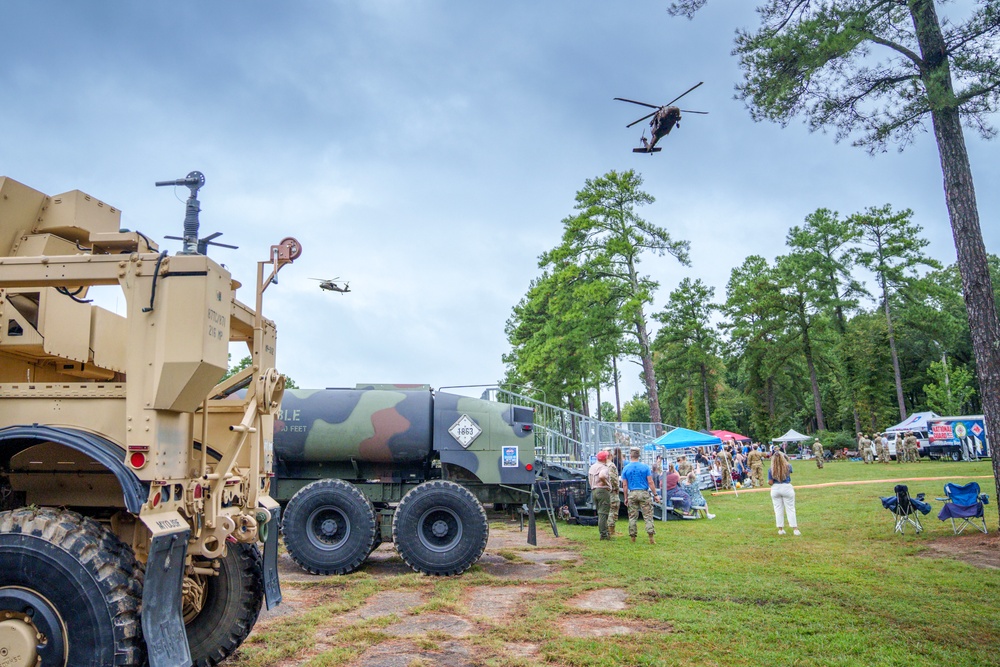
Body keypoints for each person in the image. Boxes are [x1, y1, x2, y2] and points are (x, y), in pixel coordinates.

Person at [621, 446, 660, 544]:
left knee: (632, 517)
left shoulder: (626, 468)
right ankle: (651, 537)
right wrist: (655, 494)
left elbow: (624, 485)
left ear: (630, 455)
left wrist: (625, 497)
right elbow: (650, 482)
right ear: (639, 455)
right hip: (644, 493)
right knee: (648, 515)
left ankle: (633, 538)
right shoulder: (645, 467)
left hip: (632, 493)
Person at [768, 450, 800, 536]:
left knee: (778, 509)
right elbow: (789, 472)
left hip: (775, 488)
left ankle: (780, 529)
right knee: (790, 509)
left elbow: (770, 482)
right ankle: (795, 529)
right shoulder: (788, 466)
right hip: (786, 487)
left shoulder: (771, 469)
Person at [588, 450, 611, 540]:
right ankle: (604, 534)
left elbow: (589, 479)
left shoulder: (592, 467)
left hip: (594, 490)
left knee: (600, 512)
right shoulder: (603, 467)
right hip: (602, 490)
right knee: (603, 513)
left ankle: (605, 532)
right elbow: (602, 476)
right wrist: (608, 484)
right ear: (605, 458)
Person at [606, 447, 622, 537]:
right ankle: (611, 531)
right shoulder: (611, 465)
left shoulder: (602, 465)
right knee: (613, 509)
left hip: (605, 490)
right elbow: (612, 478)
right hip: (612, 490)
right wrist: (615, 487)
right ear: (610, 455)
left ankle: (608, 530)